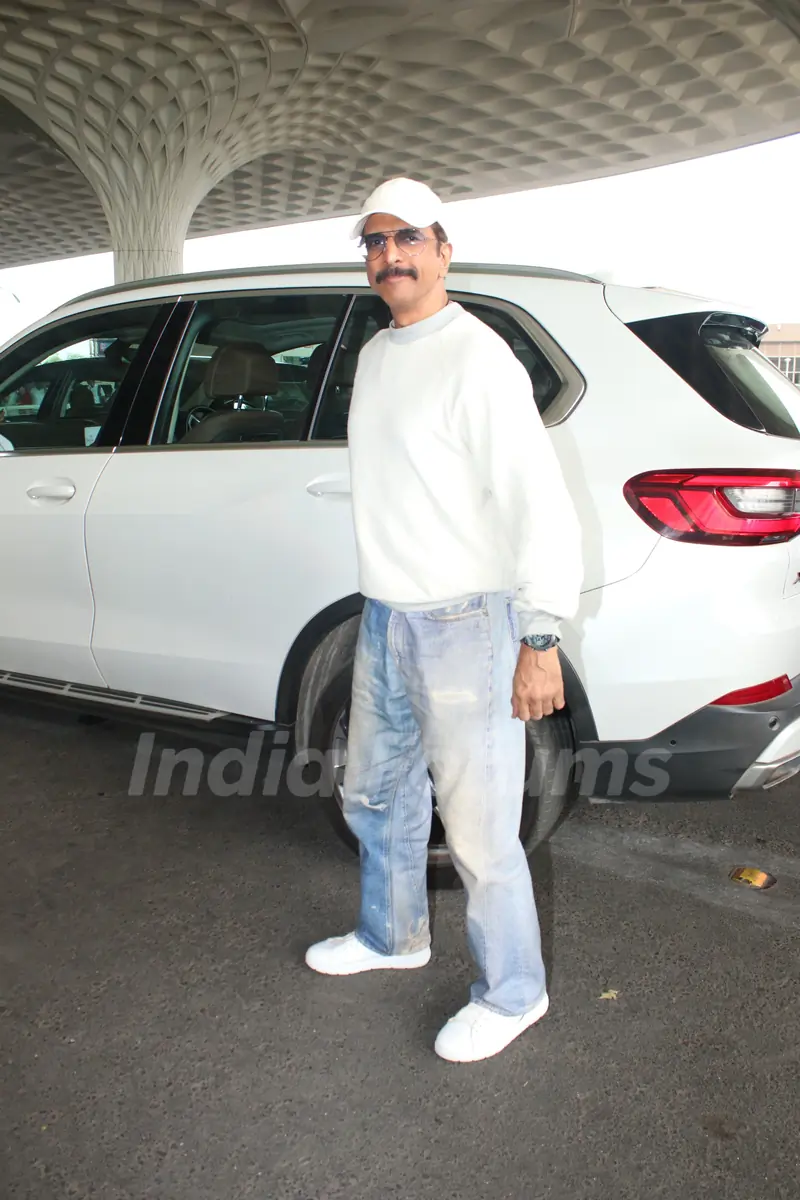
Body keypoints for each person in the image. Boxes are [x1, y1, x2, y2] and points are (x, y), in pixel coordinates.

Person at [305, 177, 583, 1062]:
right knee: (374, 793)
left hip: (467, 622)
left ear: (443, 248)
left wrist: (539, 639)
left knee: (478, 832)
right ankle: (394, 937)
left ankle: (514, 993)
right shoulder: (381, 354)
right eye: (375, 242)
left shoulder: (479, 357)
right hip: (387, 617)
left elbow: (540, 504)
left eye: (406, 239)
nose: (389, 255)